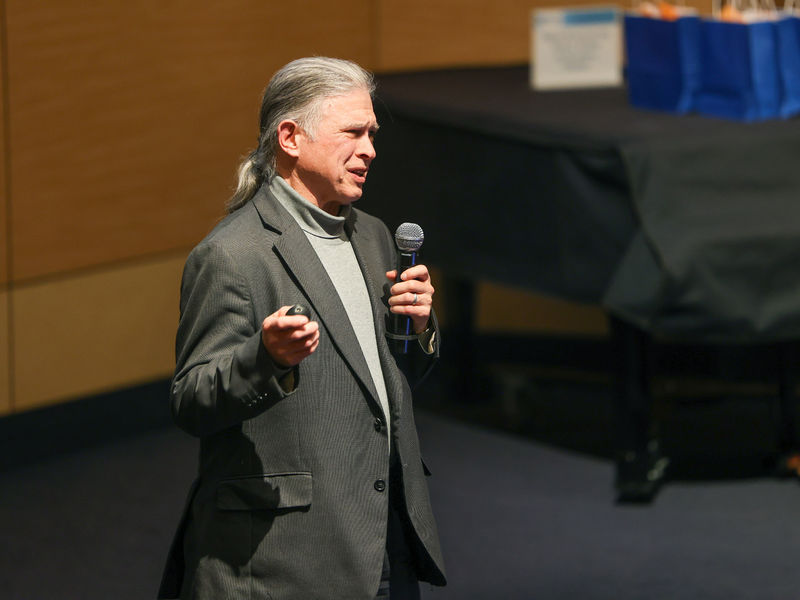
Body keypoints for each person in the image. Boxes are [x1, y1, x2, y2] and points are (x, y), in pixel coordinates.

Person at [157, 57, 446, 599]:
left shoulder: (374, 235)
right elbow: (191, 401)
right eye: (353, 133)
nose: (370, 151)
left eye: (373, 134)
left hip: (382, 538)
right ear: (290, 137)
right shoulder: (232, 255)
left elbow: (386, 382)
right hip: (286, 559)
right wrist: (265, 359)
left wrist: (422, 326)